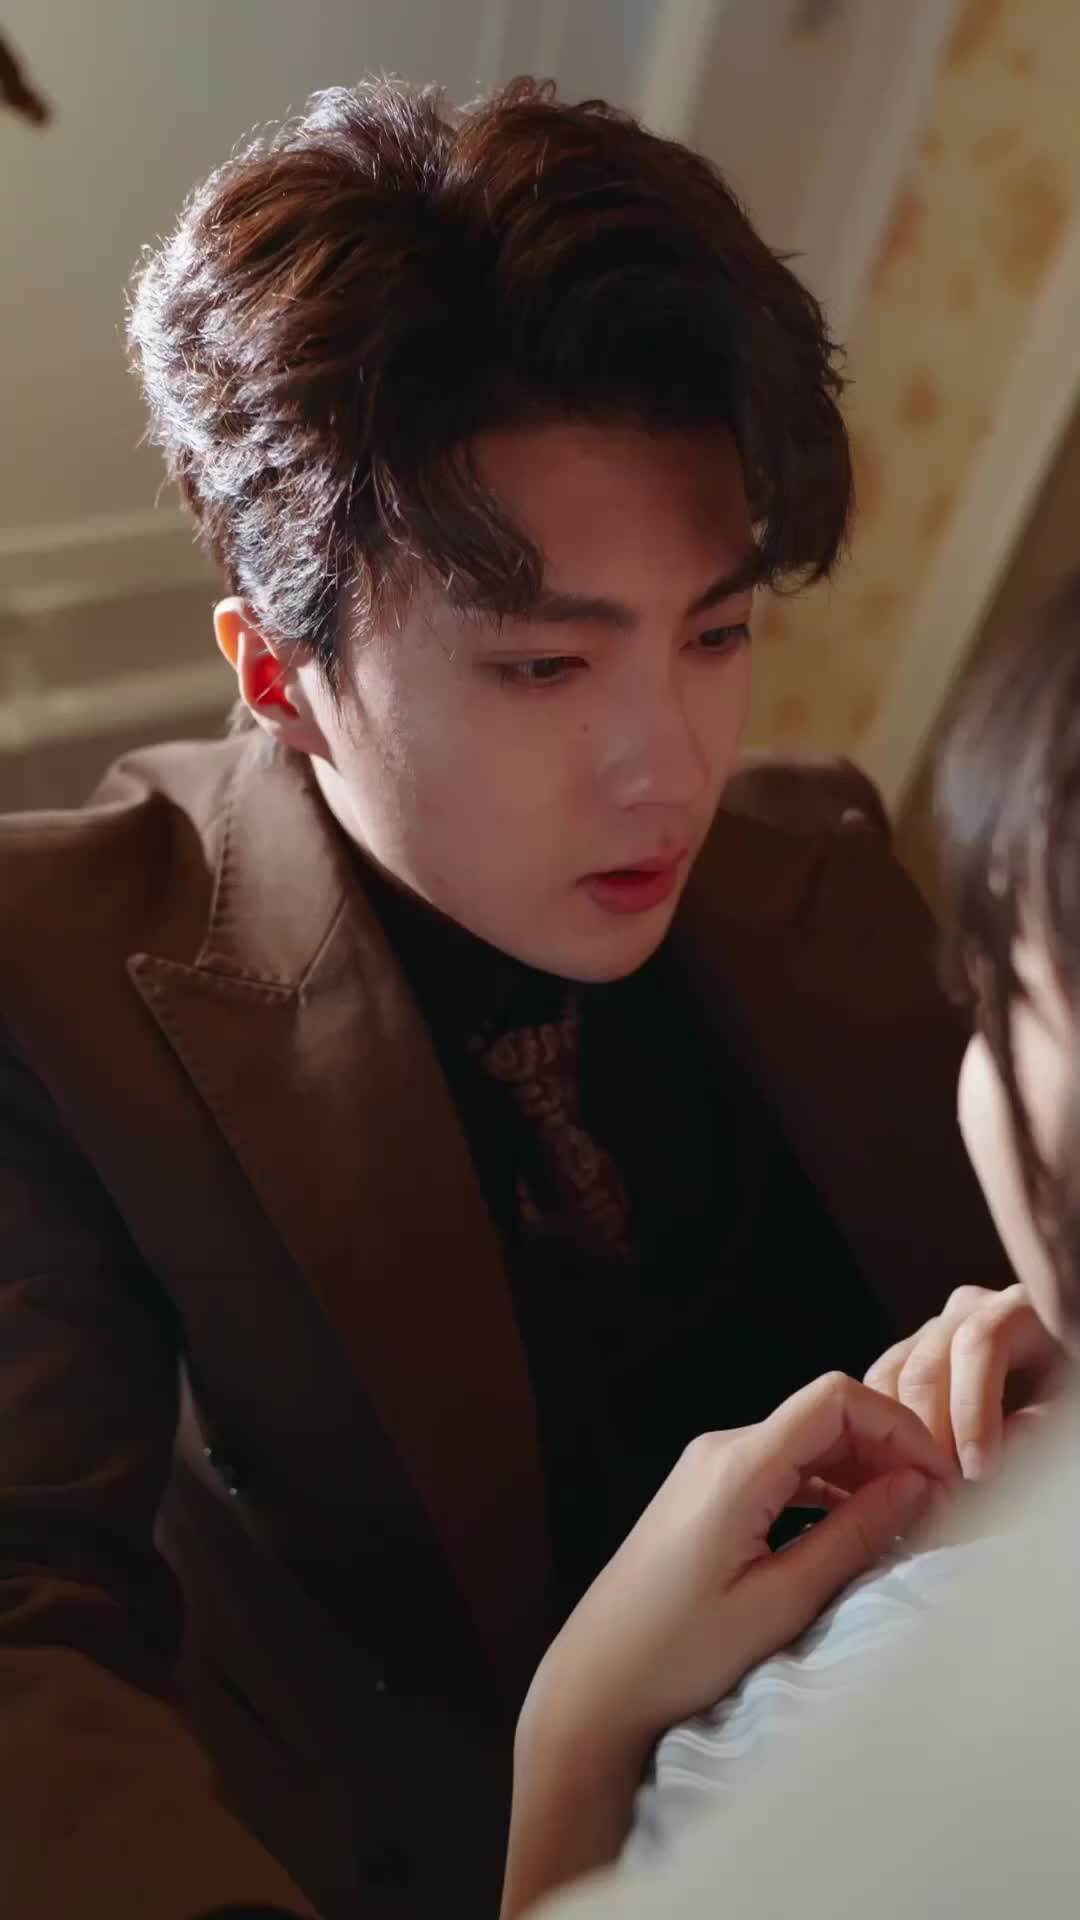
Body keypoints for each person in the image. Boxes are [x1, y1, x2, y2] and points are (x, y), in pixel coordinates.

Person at [0, 77, 1010, 1920]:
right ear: (277, 670)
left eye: (718, 632)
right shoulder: (52, 978)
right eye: (545, 666)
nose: (672, 771)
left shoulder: (816, 846)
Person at [529, 576, 1080, 1920]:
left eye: (999, 984)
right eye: (541, 665)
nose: (669, 771)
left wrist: (574, 1730)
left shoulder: (907, 1749)